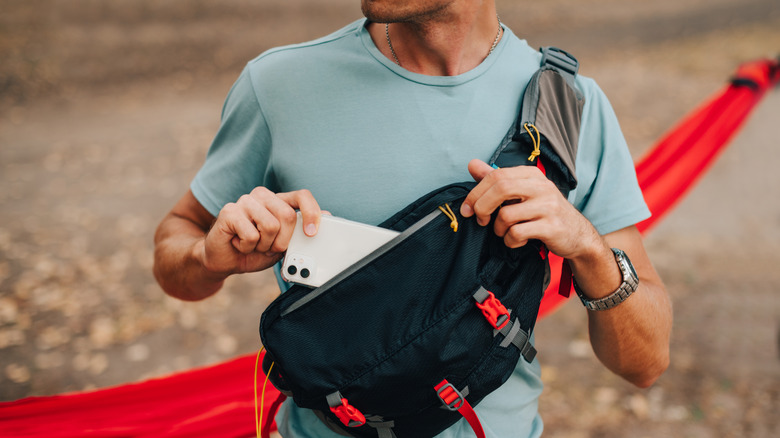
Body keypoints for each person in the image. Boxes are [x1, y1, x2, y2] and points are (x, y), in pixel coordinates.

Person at [153, 0, 673, 436]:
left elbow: (645, 362)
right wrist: (205, 257)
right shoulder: (278, 85)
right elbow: (176, 246)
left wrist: (587, 246)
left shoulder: (570, 108)